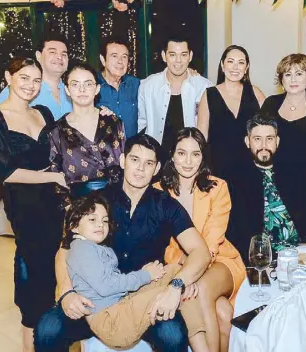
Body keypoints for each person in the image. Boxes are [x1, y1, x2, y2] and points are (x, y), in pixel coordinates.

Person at [34, 133, 211, 352]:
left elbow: (201, 252)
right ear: (123, 160)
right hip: (96, 298)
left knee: (173, 336)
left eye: (148, 163)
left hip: (144, 297)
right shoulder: (98, 200)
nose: (140, 169)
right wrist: (66, 292)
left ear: (156, 169)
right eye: (134, 160)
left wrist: (176, 286)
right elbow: (65, 248)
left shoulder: (166, 205)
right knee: (47, 330)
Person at [0, 57, 67, 351]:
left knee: (62, 273)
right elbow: (7, 171)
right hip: (26, 207)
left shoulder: (43, 112)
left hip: (57, 204)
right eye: (24, 78)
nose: (30, 85)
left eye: (36, 80)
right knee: (36, 279)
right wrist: (53, 176)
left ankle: (55, 339)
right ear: (9, 77)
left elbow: (65, 147)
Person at [63, 193, 208, 351]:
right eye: (92, 219)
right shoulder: (81, 249)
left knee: (176, 272)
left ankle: (199, 345)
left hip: (120, 305)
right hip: (110, 321)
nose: (100, 225)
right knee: (171, 290)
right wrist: (145, 276)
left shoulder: (95, 247)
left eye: (104, 220)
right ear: (74, 226)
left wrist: (180, 282)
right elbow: (106, 286)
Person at [154, 127, 246, 352]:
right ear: (172, 155)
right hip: (178, 265)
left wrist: (192, 272)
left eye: (195, 154)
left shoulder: (217, 187)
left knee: (202, 288)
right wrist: (184, 273)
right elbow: (159, 243)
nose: (188, 161)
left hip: (220, 261)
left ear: (203, 157)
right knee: (223, 314)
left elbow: (213, 240)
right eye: (182, 153)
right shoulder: (157, 191)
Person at [0, 34, 71, 220]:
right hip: (23, 194)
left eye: (64, 53)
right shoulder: (13, 92)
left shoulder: (72, 90)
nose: (59, 57)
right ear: (39, 55)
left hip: (59, 192)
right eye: (52, 51)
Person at [226, 115, 306, 262]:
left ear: (277, 141)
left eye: (269, 139)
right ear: (247, 141)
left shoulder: (294, 174)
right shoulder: (235, 180)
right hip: (260, 257)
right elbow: (234, 231)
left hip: (300, 253)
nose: (264, 145)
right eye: (257, 139)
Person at [260, 54, 306, 206]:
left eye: (299, 74)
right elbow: (259, 139)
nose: (293, 79)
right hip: (273, 180)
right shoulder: (270, 104)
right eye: (288, 74)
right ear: (282, 80)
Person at [48, 62, 125, 196]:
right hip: (79, 206)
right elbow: (55, 176)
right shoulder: (56, 131)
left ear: (97, 89)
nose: (82, 89)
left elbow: (125, 165)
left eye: (88, 84)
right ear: (67, 89)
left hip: (116, 201)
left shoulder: (113, 122)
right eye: (75, 84)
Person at [197, 45, 266, 179]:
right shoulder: (209, 95)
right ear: (222, 65)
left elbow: (271, 128)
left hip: (252, 169)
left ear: (246, 68)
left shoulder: (255, 93)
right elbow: (202, 138)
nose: (235, 67)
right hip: (218, 169)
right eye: (230, 61)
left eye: (241, 63)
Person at [137, 36, 213, 154]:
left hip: (190, 159)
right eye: (172, 54)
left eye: (183, 55)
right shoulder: (147, 86)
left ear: (190, 56)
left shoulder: (204, 87)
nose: (178, 61)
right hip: (157, 158)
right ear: (164, 56)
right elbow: (140, 124)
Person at [97, 36, 141, 138]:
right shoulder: (91, 85)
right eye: (114, 56)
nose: (120, 61)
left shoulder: (136, 85)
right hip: (103, 151)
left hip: (132, 150)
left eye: (124, 56)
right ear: (103, 59)